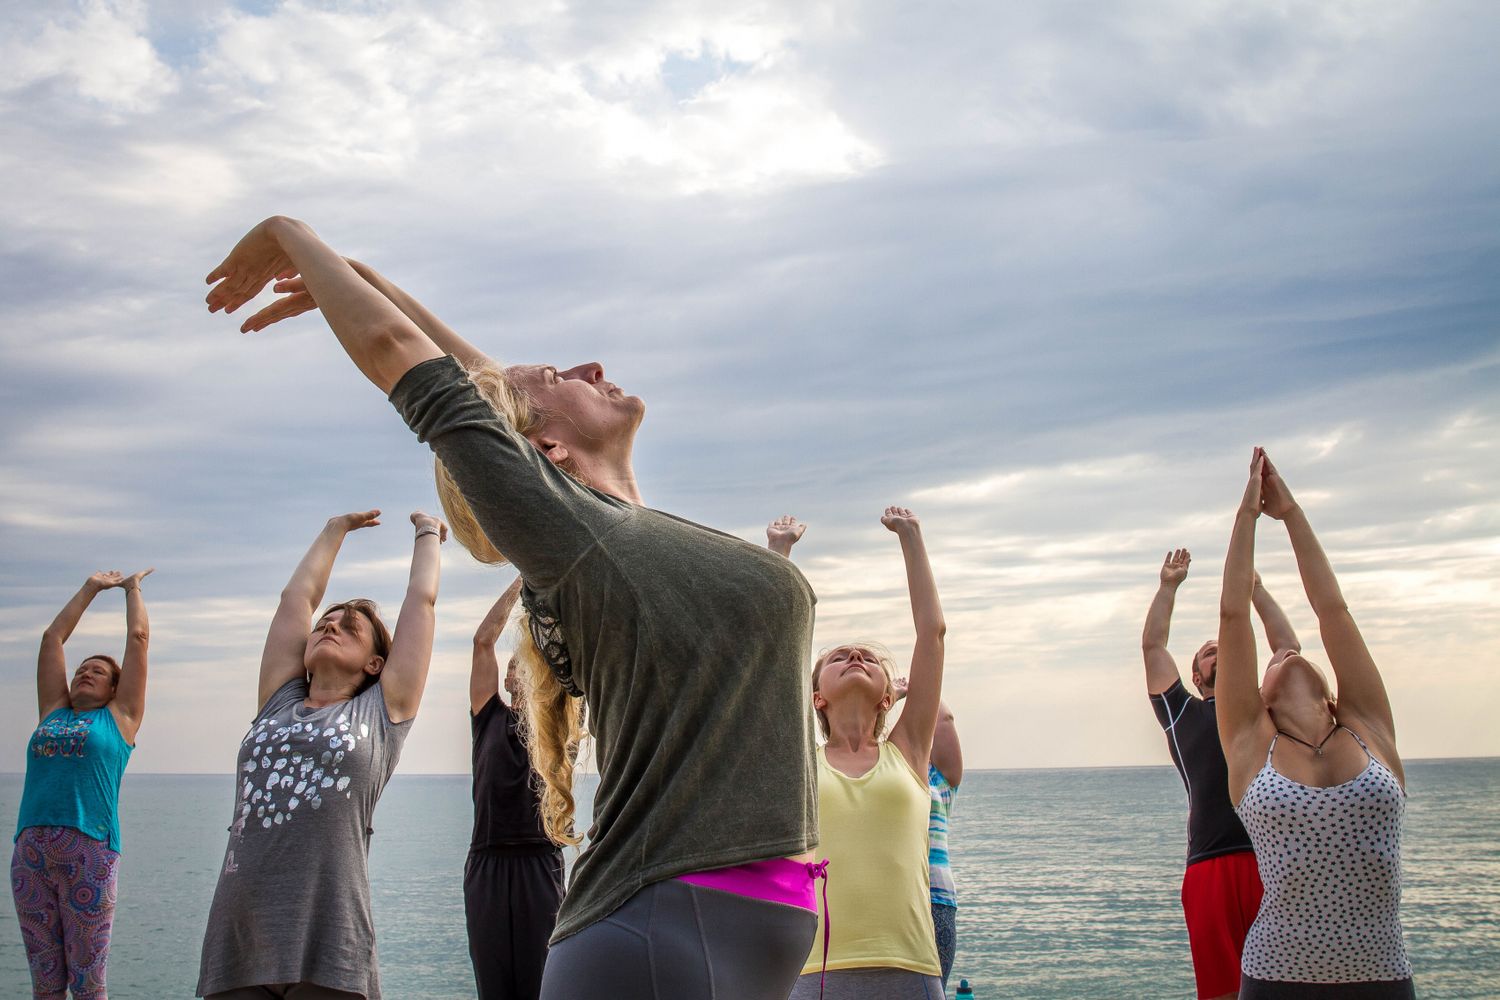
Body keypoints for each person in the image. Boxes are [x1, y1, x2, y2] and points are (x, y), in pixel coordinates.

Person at [207, 218, 820, 1000]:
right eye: (562, 374)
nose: (592, 365)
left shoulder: (621, 538)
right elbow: (414, 363)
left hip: (728, 932)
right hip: (660, 929)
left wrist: (359, 273)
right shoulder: (572, 536)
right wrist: (292, 235)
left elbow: (484, 378)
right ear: (546, 454)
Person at [196, 509, 447, 1000]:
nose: (329, 627)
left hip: (329, 936)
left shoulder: (382, 712)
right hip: (240, 932)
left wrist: (428, 533)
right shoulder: (277, 703)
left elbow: (422, 602)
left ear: (377, 663)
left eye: (349, 627)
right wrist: (336, 530)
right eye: (324, 625)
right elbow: (297, 599)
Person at [1217, 449, 1414, 999]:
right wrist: (1247, 518)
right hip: (1276, 974)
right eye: (1274, 657)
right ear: (1262, 701)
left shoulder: (1367, 727)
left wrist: (1292, 513)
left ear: (1331, 691)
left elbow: (1334, 611)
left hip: (1382, 972)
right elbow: (1233, 617)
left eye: (1293, 652)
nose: (1285, 651)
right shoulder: (1251, 747)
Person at [778, 506, 947, 1000]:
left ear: (888, 697)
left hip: (911, 965)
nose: (855, 655)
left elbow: (932, 634)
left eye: (869, 657)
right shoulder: (797, 758)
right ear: (816, 698)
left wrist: (912, 538)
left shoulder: (909, 751)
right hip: (814, 971)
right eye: (838, 656)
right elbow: (771, 652)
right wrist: (780, 553)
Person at [1141, 548, 1299, 1000]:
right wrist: (1168, 587)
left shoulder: (1263, 709)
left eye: (1223, 647)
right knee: (1222, 990)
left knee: (1285, 984)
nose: (1218, 651)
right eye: (1209, 653)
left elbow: (1287, 648)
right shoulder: (1182, 714)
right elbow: (1153, 647)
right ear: (1196, 675)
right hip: (1209, 866)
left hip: (1273, 862)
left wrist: (1258, 591)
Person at [13, 567, 153, 1000]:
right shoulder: (53, 712)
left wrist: (131, 589)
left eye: (96, 671)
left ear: (115, 688)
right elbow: (52, 640)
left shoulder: (119, 719)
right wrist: (91, 588)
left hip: (89, 852)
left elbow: (138, 640)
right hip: (30, 853)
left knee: (88, 984)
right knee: (46, 985)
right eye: (80, 670)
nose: (83, 674)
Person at [465, 577, 565, 1000]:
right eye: (514, 664)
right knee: (494, 985)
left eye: (530, 661)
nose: (519, 667)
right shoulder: (487, 716)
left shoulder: (562, 723)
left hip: (539, 861)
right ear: (507, 680)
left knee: (540, 984)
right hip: (486, 862)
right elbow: (483, 641)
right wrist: (522, 581)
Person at [892, 677, 962, 989]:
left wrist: (909, 690)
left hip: (931, 899)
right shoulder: (938, 783)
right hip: (932, 898)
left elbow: (943, 720)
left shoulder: (938, 780)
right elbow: (944, 720)